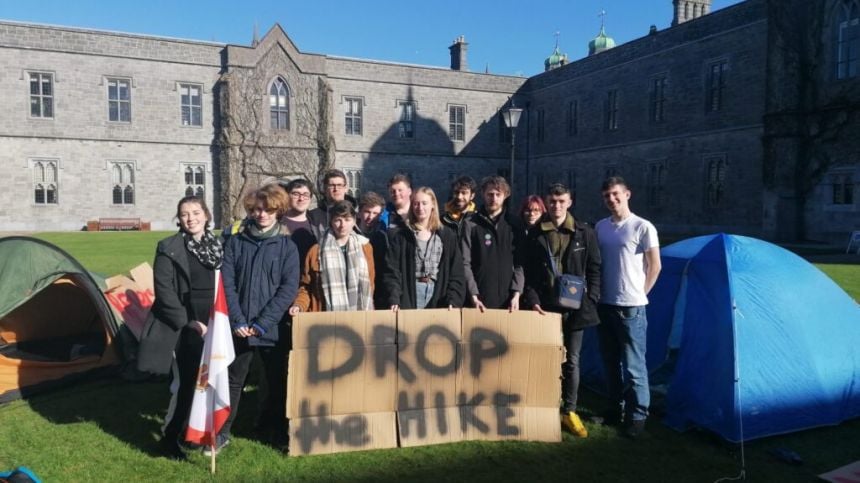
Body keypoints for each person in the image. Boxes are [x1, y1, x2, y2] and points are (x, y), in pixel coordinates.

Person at [136, 195, 221, 459]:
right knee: (186, 383)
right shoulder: (168, 247)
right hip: (185, 324)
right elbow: (164, 292)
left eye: (196, 212)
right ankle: (170, 437)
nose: (191, 218)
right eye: (185, 214)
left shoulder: (219, 245)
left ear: (206, 215)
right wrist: (188, 322)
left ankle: (197, 431)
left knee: (211, 379)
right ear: (179, 219)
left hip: (215, 320)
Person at [218, 184, 300, 452]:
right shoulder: (236, 242)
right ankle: (221, 431)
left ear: (278, 211)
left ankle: (277, 431)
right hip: (239, 328)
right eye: (257, 210)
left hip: (271, 329)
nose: (262, 214)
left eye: (268, 210)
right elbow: (227, 283)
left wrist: (263, 323)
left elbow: (288, 288)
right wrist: (238, 321)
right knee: (232, 381)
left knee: (276, 383)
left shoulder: (287, 246)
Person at [522, 183, 601, 438]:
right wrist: (532, 299)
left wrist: (594, 296)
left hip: (576, 306)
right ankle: (546, 406)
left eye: (562, 201)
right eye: (553, 201)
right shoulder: (536, 234)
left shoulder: (584, 232)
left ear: (569, 202)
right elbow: (530, 271)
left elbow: (595, 267)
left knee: (573, 361)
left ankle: (570, 409)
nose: (557, 206)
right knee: (546, 357)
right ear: (548, 202)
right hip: (546, 306)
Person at [594, 176, 661, 439]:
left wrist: (639, 293)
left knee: (634, 366)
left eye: (615, 194)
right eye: (606, 196)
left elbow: (655, 266)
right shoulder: (601, 227)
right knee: (610, 363)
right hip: (605, 304)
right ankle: (613, 410)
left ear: (627, 194)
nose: (611, 199)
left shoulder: (643, 227)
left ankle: (637, 417)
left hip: (631, 308)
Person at [383, 187, 465, 310]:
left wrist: (453, 299)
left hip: (438, 295)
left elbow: (456, 272)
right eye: (416, 203)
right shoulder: (402, 236)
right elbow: (392, 271)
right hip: (410, 294)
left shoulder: (447, 236)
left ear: (433, 204)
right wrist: (394, 298)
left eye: (424, 203)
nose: (420, 208)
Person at [289, 201, 375, 314]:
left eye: (347, 220)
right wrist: (299, 305)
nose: (342, 225)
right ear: (331, 222)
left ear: (354, 221)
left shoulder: (365, 247)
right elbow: (306, 286)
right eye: (338, 220)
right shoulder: (316, 251)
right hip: (325, 318)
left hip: (359, 316)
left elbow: (371, 283)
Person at [461, 175, 524, 311]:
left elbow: (520, 264)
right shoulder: (470, 224)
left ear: (505, 195)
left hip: (509, 301)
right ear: (483, 194)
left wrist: (517, 293)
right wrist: (473, 294)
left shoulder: (514, 224)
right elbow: (465, 262)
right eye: (490, 194)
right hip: (479, 300)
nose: (494, 198)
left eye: (498, 194)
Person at [280, 178, 326, 268]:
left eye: (305, 195)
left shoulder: (317, 225)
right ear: (287, 196)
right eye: (296, 194)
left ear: (310, 198)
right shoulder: (277, 223)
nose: (301, 198)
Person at [356, 191, 389, 308]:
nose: (370, 217)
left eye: (375, 213)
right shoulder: (350, 235)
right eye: (367, 212)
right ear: (359, 212)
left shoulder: (382, 237)